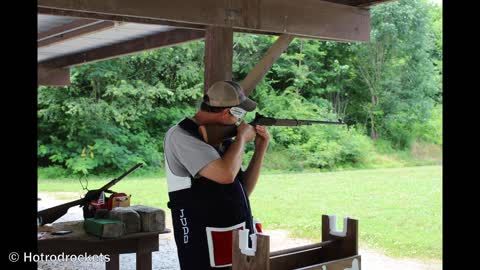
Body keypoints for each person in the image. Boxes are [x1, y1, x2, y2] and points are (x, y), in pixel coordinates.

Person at [163, 80, 270, 269]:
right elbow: (226, 175)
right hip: (201, 239)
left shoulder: (223, 140)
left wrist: (260, 149)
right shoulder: (181, 136)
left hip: (233, 235)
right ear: (227, 112)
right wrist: (242, 140)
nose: (240, 120)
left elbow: (243, 189)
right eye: (239, 113)